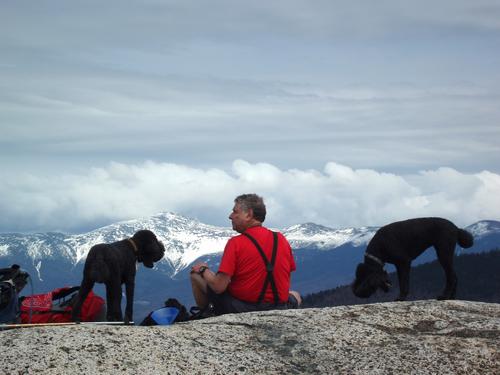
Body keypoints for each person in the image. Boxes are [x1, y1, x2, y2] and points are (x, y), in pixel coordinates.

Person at [190, 193, 301, 316]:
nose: (230, 216)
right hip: (279, 307)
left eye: (235, 212)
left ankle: (207, 315)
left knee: (195, 275)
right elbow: (284, 275)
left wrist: (203, 269)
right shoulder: (280, 239)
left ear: (249, 214)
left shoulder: (236, 243)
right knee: (295, 295)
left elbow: (218, 287)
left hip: (243, 308)